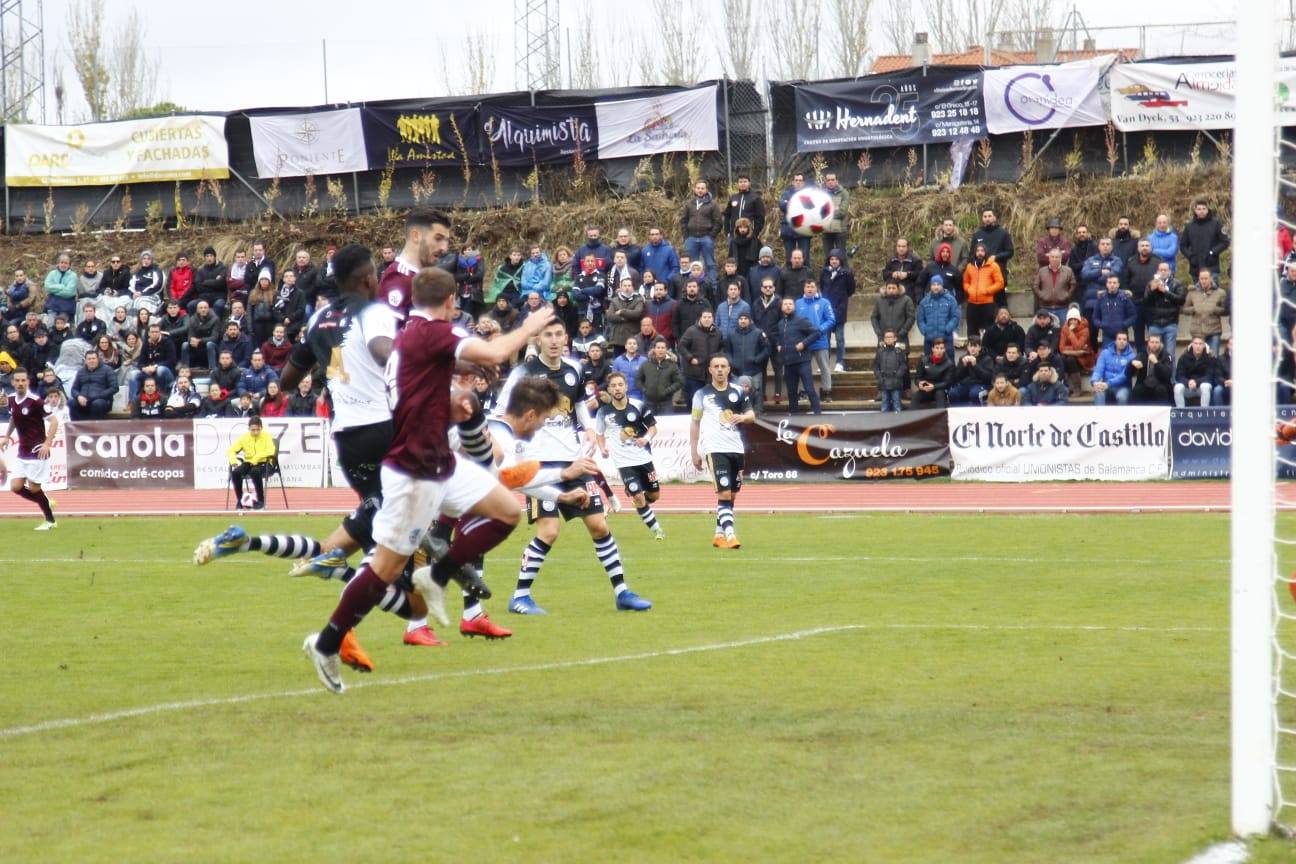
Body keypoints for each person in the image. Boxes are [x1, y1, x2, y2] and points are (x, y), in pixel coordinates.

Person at [301, 266, 559, 693]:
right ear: (451, 301)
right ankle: (327, 643)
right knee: (384, 568)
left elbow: (421, 384)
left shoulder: (412, 338)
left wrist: (449, 401)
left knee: (508, 511)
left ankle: (437, 575)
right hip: (413, 472)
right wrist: (528, 327)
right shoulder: (432, 332)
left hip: (440, 462)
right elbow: (494, 354)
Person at [496, 317, 653, 618]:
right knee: (549, 530)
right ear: (538, 340)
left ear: (565, 338)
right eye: (548, 335)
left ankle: (622, 592)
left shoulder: (575, 370)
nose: (554, 340)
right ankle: (520, 596)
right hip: (538, 464)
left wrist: (591, 430)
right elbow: (502, 413)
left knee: (599, 525)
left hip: (573, 460)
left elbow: (580, 405)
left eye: (558, 334)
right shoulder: (523, 373)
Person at [689, 354, 755, 548]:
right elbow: (695, 423)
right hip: (715, 448)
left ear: (728, 370)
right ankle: (730, 535)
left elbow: (752, 415)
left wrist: (742, 418)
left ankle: (718, 535)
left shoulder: (738, 392)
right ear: (710, 370)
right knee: (724, 493)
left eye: (723, 366)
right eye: (715, 366)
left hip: (736, 448)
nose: (719, 369)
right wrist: (694, 451)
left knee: (732, 495)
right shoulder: (701, 395)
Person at [596, 371, 666, 540]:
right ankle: (658, 530)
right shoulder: (604, 412)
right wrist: (602, 448)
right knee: (638, 495)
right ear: (609, 390)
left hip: (644, 459)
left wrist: (646, 439)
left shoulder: (638, 405)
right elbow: (599, 433)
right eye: (613, 386)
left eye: (620, 385)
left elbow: (653, 427)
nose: (617, 388)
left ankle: (640, 504)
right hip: (624, 463)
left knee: (654, 495)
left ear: (626, 387)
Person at [1, 367, 58, 529]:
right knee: (15, 487)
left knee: (34, 488)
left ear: (28, 382)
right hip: (22, 451)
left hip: (36, 450)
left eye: (22, 380)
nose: (20, 383)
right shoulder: (11, 400)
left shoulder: (36, 401)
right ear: (12, 382)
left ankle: (50, 521)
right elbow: (14, 418)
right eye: (17, 380)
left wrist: (47, 443)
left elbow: (54, 421)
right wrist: (7, 436)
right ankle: (46, 501)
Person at [381, 208, 450, 323]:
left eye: (447, 241)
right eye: (438, 238)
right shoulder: (399, 279)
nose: (444, 248)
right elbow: (388, 337)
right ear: (415, 236)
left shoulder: (424, 278)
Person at [776, 296, 820, 415]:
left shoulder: (801, 320)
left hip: (802, 361)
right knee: (791, 392)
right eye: (785, 304)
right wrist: (778, 345)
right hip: (788, 362)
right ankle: (794, 418)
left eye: (790, 304)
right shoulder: (780, 324)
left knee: (810, 390)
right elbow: (779, 338)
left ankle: (818, 414)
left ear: (794, 306)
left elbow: (816, 333)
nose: (788, 306)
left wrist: (803, 343)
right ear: (781, 307)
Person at [794, 280, 835, 403]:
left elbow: (831, 319)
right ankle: (803, 392)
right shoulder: (797, 303)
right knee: (803, 368)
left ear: (816, 288)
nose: (810, 289)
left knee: (825, 368)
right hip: (804, 342)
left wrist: (819, 330)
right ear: (804, 288)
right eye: (807, 287)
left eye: (812, 287)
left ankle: (827, 392)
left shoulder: (824, 302)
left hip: (820, 340)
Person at [724, 312, 770, 413]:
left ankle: (758, 420)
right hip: (736, 373)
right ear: (738, 321)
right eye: (741, 319)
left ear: (749, 320)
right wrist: (731, 362)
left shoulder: (758, 333)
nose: (743, 320)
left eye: (745, 318)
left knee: (756, 398)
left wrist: (757, 359)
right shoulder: (731, 334)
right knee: (735, 398)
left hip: (754, 372)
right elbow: (727, 351)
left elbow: (767, 349)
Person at [227, 416, 276, 510]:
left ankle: (261, 501)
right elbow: (231, 450)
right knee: (235, 473)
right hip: (249, 462)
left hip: (264, 462)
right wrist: (234, 461)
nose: (256, 432)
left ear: (261, 428)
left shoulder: (266, 436)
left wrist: (257, 458)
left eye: (258, 429)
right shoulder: (244, 437)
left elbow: (271, 451)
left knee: (255, 472)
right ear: (249, 428)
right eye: (253, 430)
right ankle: (240, 500)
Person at [678, 309, 724, 406]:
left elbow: (721, 348)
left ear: (713, 319)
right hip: (693, 374)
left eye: (709, 317)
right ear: (700, 318)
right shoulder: (691, 331)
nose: (707, 319)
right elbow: (681, 346)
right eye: (704, 317)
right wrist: (690, 358)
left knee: (710, 404)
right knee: (694, 402)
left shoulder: (718, 333)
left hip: (711, 376)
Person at [962, 241, 1005, 337]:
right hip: (972, 303)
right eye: (977, 251)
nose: (980, 253)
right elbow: (965, 282)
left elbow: (1000, 283)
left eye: (982, 250)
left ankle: (988, 350)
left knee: (989, 330)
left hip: (987, 303)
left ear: (986, 252)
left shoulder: (993, 266)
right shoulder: (970, 266)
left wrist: (988, 291)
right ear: (975, 253)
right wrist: (969, 290)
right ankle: (972, 350)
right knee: (972, 330)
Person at [1180, 199, 1229, 279]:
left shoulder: (1216, 223)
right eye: (1199, 209)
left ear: (1207, 210)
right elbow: (1183, 246)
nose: (1201, 211)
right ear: (1195, 210)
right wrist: (1190, 256)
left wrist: (1213, 252)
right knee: (1196, 291)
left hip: (1212, 266)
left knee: (1212, 291)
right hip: (1195, 267)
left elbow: (1225, 242)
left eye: (1204, 209)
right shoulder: (1189, 226)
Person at [1182, 269, 1228, 355]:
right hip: (1197, 331)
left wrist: (1214, 309)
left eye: (1206, 278)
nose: (1203, 281)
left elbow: (1226, 310)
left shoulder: (1220, 292)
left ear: (1211, 278)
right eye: (1201, 278)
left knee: (1213, 358)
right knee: (1197, 358)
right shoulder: (1192, 292)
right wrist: (1194, 309)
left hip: (1214, 331)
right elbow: (1185, 309)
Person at [1144, 264, 1186, 355]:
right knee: (1153, 353)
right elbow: (1146, 302)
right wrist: (1152, 290)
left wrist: (1166, 292)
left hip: (1170, 323)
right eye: (1161, 270)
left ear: (1170, 272)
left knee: (1170, 354)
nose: (1163, 272)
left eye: (1165, 270)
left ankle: (1170, 369)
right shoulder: (1151, 283)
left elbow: (1181, 300)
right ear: (1157, 272)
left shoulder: (1176, 284)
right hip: (1154, 324)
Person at [637, 338, 683, 416]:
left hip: (666, 403)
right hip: (649, 403)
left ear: (666, 350)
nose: (660, 350)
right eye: (658, 348)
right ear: (654, 349)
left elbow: (679, 382)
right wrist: (645, 390)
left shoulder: (672, 365)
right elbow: (638, 380)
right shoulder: (645, 364)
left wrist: (667, 391)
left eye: (663, 348)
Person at [916, 275, 960, 357]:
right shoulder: (924, 301)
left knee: (949, 364)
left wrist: (947, 329)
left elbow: (955, 317)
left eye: (938, 284)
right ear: (930, 286)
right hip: (929, 340)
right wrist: (925, 331)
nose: (936, 287)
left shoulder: (950, 300)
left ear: (942, 285)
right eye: (933, 284)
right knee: (928, 364)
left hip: (946, 339)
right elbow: (920, 319)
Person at [970, 207, 1014, 285]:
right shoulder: (977, 235)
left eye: (990, 216)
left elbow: (1010, 252)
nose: (987, 219)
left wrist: (996, 257)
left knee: (999, 296)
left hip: (998, 274)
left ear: (994, 218)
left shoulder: (1003, 233)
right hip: (982, 276)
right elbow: (971, 255)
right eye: (985, 216)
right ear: (982, 218)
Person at [1091, 331, 1136, 406]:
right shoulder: (1105, 353)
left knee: (1121, 397)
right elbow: (1098, 370)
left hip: (1123, 387)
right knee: (1099, 392)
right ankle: (1099, 416)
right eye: (1119, 339)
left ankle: (1121, 417)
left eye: (1124, 339)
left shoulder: (1131, 356)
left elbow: (1124, 376)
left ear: (1127, 342)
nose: (1122, 341)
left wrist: (1108, 384)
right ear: (1115, 341)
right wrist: (1094, 381)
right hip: (1106, 385)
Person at [69, 350, 117, 419]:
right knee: (70, 403)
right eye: (89, 359)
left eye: (93, 358)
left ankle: (94, 427)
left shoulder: (108, 370)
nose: (91, 361)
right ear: (85, 361)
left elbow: (114, 387)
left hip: (102, 400)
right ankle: (79, 426)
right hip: (83, 401)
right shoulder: (80, 372)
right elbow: (74, 389)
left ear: (98, 359)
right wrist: (78, 396)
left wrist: (97, 396)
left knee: (97, 404)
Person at [1128, 332, 1173, 405]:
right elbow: (1129, 373)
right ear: (1148, 343)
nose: (1154, 344)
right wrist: (1132, 364)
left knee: (1161, 390)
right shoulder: (1142, 354)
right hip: (1145, 383)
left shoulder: (1166, 356)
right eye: (1152, 342)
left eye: (1156, 342)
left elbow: (1168, 375)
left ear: (1160, 343)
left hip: (1161, 384)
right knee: (1137, 390)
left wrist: (1156, 363)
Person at [1091, 275, 1136, 348]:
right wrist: (1102, 325)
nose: (1112, 285)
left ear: (1118, 284)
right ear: (1106, 284)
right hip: (1106, 336)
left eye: (1114, 283)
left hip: (1122, 335)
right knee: (1108, 357)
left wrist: (1123, 324)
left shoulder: (1125, 298)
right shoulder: (1101, 299)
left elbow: (1133, 316)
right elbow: (1095, 318)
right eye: (1110, 282)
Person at [1033, 248, 1075, 322]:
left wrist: (1067, 295)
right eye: (1052, 257)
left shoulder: (1068, 271)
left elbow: (1073, 285)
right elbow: (1035, 286)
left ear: (1061, 258)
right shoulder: (1042, 271)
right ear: (1049, 258)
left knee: (1063, 331)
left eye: (1057, 257)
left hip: (1062, 308)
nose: (1054, 259)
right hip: (1045, 308)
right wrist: (1042, 295)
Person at [872, 280, 916, 350]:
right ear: (886, 288)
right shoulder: (879, 300)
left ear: (898, 289)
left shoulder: (906, 300)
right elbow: (874, 317)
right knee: (882, 358)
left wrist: (903, 331)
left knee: (901, 358)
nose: (891, 290)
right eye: (889, 288)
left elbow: (911, 317)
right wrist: (879, 333)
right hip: (884, 337)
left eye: (893, 288)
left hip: (901, 337)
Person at [949, 336, 993, 406]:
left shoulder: (987, 359)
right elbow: (956, 377)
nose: (972, 348)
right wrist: (963, 366)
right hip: (966, 384)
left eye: (975, 346)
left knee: (974, 393)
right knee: (953, 393)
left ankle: (978, 414)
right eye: (970, 346)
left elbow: (988, 378)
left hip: (981, 385)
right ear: (967, 347)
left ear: (979, 348)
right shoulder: (962, 358)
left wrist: (975, 365)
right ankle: (958, 414)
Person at [910, 338, 954, 409]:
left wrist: (934, 386)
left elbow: (947, 382)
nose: (939, 350)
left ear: (944, 349)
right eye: (937, 348)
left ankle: (940, 417)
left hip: (940, 388)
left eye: (941, 348)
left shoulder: (949, 363)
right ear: (932, 349)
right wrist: (919, 384)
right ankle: (912, 418)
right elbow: (918, 377)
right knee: (916, 396)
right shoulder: (924, 360)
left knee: (939, 394)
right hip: (926, 388)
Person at [1174, 335, 1216, 407]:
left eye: (1200, 344)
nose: (1198, 346)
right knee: (1177, 387)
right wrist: (1188, 382)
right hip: (1188, 386)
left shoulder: (1210, 358)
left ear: (1204, 345)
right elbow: (1179, 376)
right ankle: (1181, 412)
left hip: (1201, 387)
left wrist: (1196, 382)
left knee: (1205, 386)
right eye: (1195, 343)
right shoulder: (1183, 357)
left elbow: (1210, 376)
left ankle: (1204, 412)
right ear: (1192, 345)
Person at [778, 172, 811, 262]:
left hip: (804, 231)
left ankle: (806, 276)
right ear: (793, 182)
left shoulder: (808, 195)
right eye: (796, 180)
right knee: (789, 259)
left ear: (803, 183)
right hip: (788, 230)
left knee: (805, 259)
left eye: (800, 180)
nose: (798, 182)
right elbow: (782, 205)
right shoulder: (786, 194)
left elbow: (810, 209)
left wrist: (791, 204)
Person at [607, 277, 645, 354]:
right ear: (621, 287)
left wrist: (622, 311)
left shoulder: (638, 300)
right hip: (617, 338)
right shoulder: (614, 300)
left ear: (633, 287)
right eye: (624, 285)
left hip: (632, 338)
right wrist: (627, 318)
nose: (627, 288)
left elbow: (637, 314)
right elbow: (610, 316)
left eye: (629, 285)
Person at [873, 329, 909, 412]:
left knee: (897, 405)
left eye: (890, 337)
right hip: (884, 383)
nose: (888, 339)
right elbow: (875, 366)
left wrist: (898, 376)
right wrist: (879, 376)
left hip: (896, 383)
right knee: (885, 405)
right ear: (884, 339)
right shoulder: (880, 352)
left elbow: (903, 366)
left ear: (895, 338)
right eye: (886, 337)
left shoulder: (899, 352)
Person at [819, 172, 849, 265]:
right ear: (825, 182)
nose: (830, 182)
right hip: (826, 230)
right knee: (828, 258)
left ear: (837, 181)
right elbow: (819, 212)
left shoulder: (844, 193)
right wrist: (834, 208)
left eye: (833, 180)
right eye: (828, 180)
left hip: (840, 230)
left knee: (841, 257)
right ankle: (827, 277)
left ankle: (845, 276)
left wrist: (827, 212)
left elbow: (842, 212)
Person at [725, 175, 766, 242]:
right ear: (738, 184)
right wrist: (727, 232)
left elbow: (760, 217)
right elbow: (727, 215)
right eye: (740, 182)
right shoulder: (733, 198)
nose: (743, 183)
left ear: (749, 183)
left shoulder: (755, 198)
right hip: (734, 235)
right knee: (734, 252)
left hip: (749, 235)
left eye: (745, 181)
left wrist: (755, 233)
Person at [882, 238, 923, 303]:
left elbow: (921, 275)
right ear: (896, 247)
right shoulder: (891, 260)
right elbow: (884, 275)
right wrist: (892, 274)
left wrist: (907, 275)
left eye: (903, 246)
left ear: (907, 247)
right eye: (899, 246)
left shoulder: (916, 260)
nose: (901, 249)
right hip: (894, 295)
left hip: (910, 295)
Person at [42, 253, 78, 322]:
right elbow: (47, 287)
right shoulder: (52, 273)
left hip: (67, 305)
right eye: (61, 262)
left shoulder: (73, 276)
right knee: (50, 324)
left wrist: (54, 291)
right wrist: (61, 286)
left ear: (69, 265)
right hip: (52, 304)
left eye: (66, 263)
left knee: (61, 324)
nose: (63, 265)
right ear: (58, 263)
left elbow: (69, 292)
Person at [129, 250, 165, 314]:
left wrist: (141, 293)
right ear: (141, 260)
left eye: (148, 259)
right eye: (144, 258)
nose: (146, 260)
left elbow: (158, 285)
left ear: (151, 260)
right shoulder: (137, 272)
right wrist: (133, 294)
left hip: (153, 296)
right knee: (126, 302)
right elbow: (131, 286)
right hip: (137, 296)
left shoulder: (156, 270)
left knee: (141, 302)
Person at [1212, 337, 1233, 406]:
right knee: (1217, 390)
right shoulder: (1221, 359)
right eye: (1231, 344)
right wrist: (1225, 382)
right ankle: (1219, 414)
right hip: (1225, 384)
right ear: (1228, 345)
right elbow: (1217, 376)